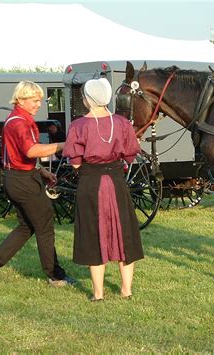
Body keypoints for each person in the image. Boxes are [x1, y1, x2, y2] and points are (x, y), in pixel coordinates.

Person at [0, 81, 75, 288]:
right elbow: (30, 151)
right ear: (21, 99)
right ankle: (55, 276)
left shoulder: (14, 119)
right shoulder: (20, 122)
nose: (39, 104)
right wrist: (64, 145)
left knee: (26, 226)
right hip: (23, 181)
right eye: (34, 100)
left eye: (40, 99)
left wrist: (40, 170)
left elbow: (19, 155)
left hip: (15, 178)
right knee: (45, 226)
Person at [63, 78, 143, 301]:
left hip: (90, 183)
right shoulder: (122, 123)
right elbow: (130, 154)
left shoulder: (78, 125)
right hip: (116, 181)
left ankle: (98, 294)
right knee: (124, 232)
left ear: (88, 99)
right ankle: (126, 290)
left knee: (92, 232)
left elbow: (76, 162)